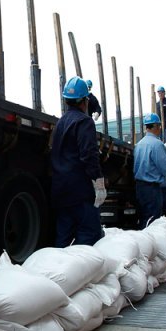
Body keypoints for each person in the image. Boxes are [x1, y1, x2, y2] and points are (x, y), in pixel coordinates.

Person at [50, 76, 106, 247]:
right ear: (84, 101)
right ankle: (82, 273)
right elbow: (89, 155)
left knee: (63, 237)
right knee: (89, 234)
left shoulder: (60, 123)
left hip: (60, 188)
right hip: (79, 190)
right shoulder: (84, 122)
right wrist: (99, 182)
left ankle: (62, 270)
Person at [134, 112, 166, 229]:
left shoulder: (139, 145)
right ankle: (150, 245)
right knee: (153, 220)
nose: (160, 128)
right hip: (152, 188)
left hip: (139, 187)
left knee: (144, 218)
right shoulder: (157, 145)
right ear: (155, 126)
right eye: (159, 126)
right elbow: (164, 165)